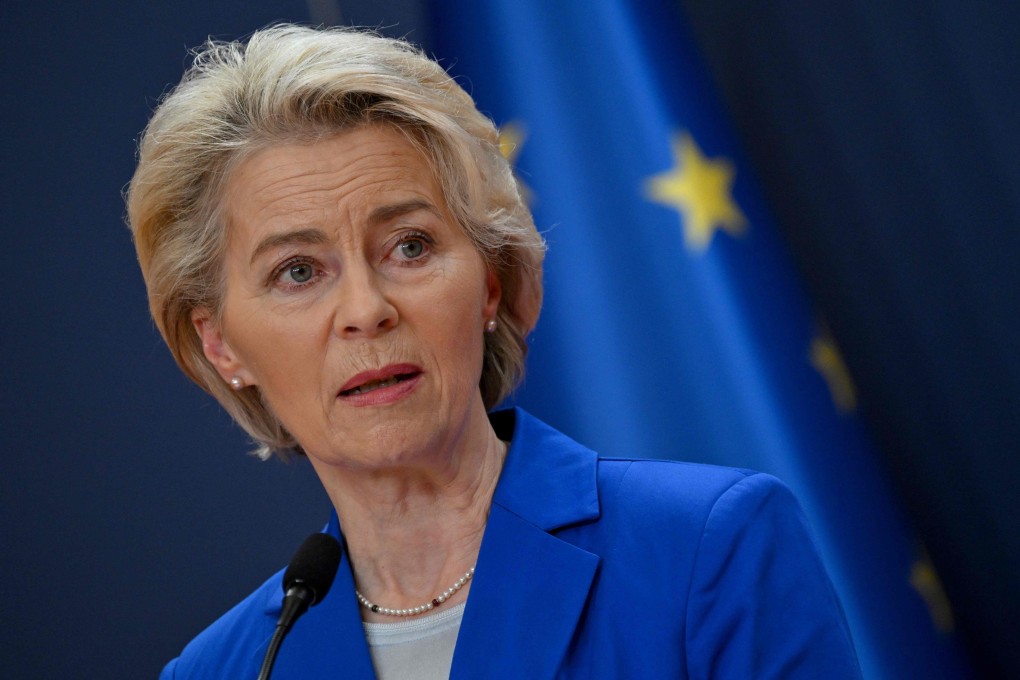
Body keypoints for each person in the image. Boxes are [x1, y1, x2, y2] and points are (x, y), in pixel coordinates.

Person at [127, 24, 861, 679]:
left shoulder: (709, 551)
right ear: (222, 346)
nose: (365, 310)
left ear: (490, 283)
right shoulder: (227, 669)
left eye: (409, 247)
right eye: (297, 272)